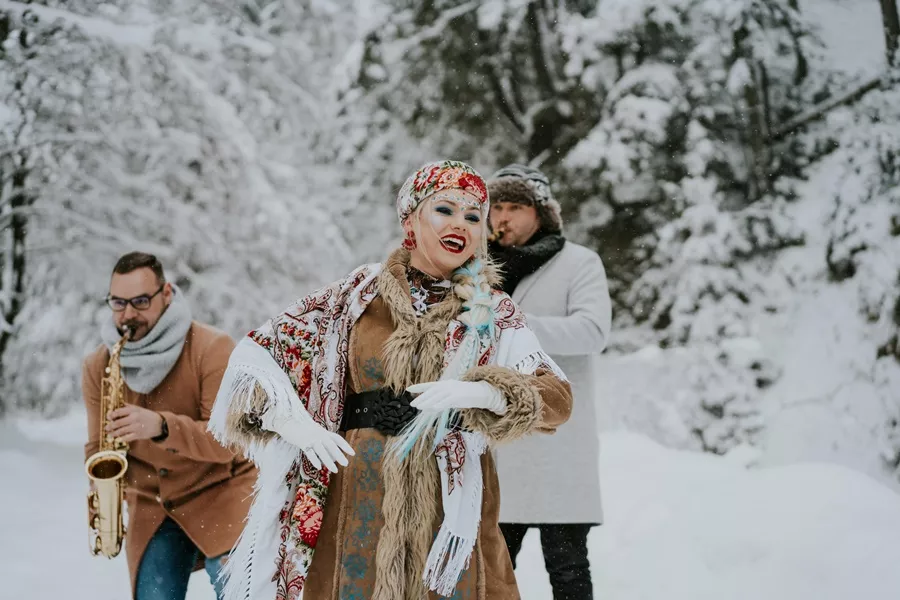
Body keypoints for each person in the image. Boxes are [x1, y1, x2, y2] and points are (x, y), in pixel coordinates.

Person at [208, 160, 574, 600]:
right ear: (411, 219)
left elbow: (557, 398)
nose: (461, 224)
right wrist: (291, 420)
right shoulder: (355, 295)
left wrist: (488, 392)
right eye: (445, 210)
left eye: (474, 216)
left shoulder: (494, 312)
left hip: (451, 513)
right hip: (355, 501)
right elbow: (258, 355)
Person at [82, 252, 257, 600]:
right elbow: (97, 448)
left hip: (222, 491)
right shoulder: (98, 365)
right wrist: (102, 502)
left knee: (239, 591)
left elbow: (228, 443)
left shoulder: (213, 349)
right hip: (155, 506)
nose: (128, 315)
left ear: (166, 294)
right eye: (118, 303)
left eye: (141, 301)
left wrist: (161, 427)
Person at [487, 164, 612, 600]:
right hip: (497, 446)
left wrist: (515, 325)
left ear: (541, 213)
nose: (503, 217)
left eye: (515, 207)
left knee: (568, 570)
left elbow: (594, 332)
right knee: (493, 573)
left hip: (559, 441)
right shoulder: (477, 268)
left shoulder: (579, 263)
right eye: (496, 206)